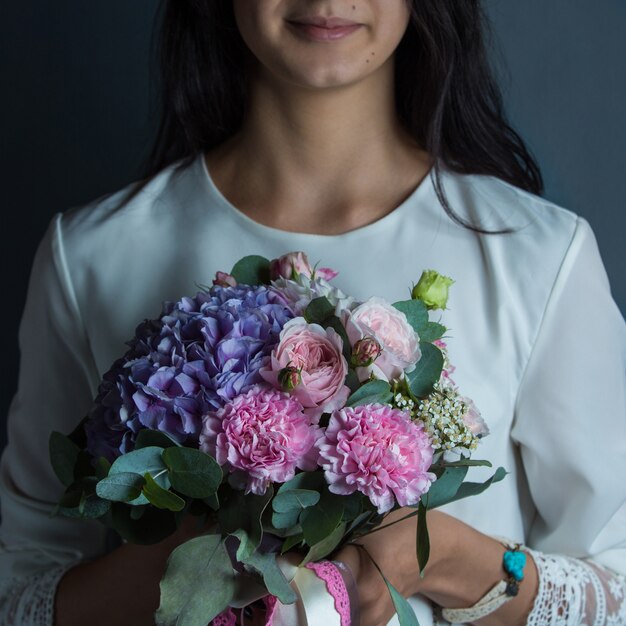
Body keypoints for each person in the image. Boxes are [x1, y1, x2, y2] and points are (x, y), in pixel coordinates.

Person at [1, 1, 625, 625]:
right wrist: (176, 567)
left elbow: (617, 585)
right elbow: (16, 590)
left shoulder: (536, 256)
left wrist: (441, 559)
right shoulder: (89, 257)